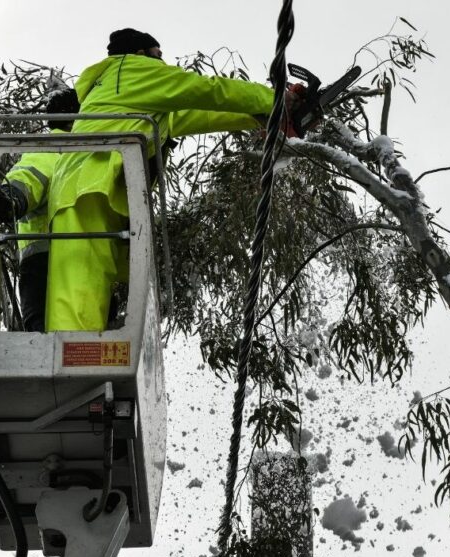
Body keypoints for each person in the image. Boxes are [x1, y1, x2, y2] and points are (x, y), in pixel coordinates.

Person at [45, 28, 279, 332]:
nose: (163, 61)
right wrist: (276, 99)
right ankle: (69, 370)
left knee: (94, 285)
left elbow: (202, 113)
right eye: (158, 55)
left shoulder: (144, 101)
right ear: (140, 54)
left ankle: (84, 361)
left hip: (101, 192)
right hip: (84, 188)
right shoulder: (131, 70)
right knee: (77, 296)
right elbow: (209, 90)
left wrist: (260, 117)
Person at [0, 88, 80, 332]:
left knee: (45, 347)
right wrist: (12, 198)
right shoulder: (55, 150)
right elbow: (27, 178)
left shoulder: (83, 152)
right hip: (51, 265)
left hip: (45, 264)